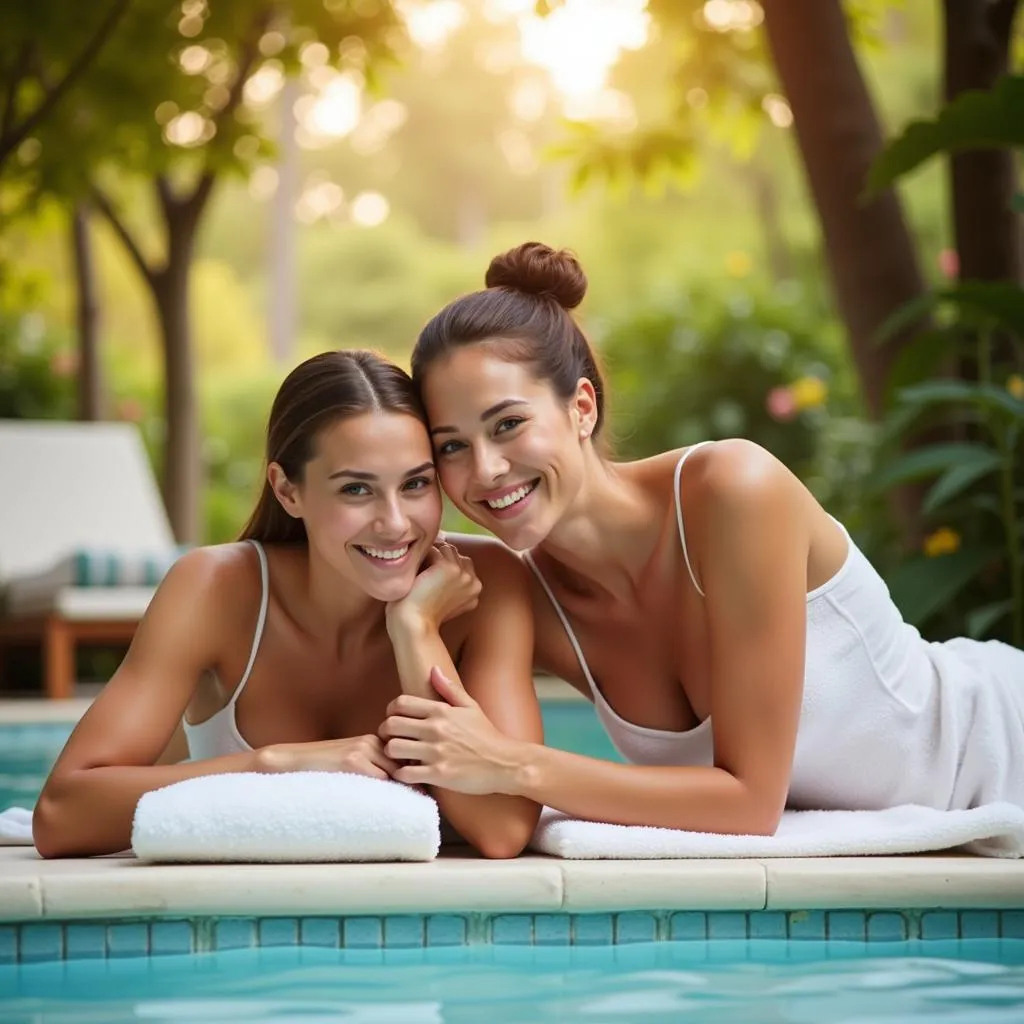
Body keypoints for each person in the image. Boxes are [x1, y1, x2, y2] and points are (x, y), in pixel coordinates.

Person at [378, 241, 1024, 835]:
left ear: (581, 406)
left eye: (509, 424)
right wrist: (412, 625)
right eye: (452, 447)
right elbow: (495, 826)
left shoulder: (733, 493)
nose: (485, 470)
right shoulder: (511, 587)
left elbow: (749, 804)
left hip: (1000, 748)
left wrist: (516, 765)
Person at [33, 350, 542, 859]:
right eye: (356, 489)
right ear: (287, 490)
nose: (395, 523)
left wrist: (416, 631)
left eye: (415, 484)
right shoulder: (216, 590)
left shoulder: (486, 583)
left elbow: (502, 830)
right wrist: (277, 765)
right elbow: (61, 816)